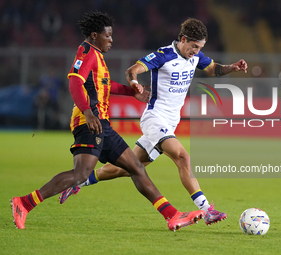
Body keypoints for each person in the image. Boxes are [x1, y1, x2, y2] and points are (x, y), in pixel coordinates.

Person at [10, 11, 205, 231]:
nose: (111, 40)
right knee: (80, 173)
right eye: (108, 36)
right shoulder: (86, 53)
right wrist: (87, 112)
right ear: (94, 35)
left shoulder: (96, 54)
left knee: (137, 168)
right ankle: (24, 203)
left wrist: (132, 93)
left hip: (102, 125)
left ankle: (173, 215)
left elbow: (104, 85)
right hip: (89, 123)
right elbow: (74, 82)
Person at [59, 17, 248, 226]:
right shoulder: (164, 55)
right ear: (183, 39)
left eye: (200, 47)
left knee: (128, 168)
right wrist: (134, 84)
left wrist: (233, 67)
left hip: (170, 122)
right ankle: (207, 210)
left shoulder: (196, 56)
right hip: (155, 119)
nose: (196, 51)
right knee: (183, 157)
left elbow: (213, 69)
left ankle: (79, 182)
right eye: (194, 46)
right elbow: (132, 70)